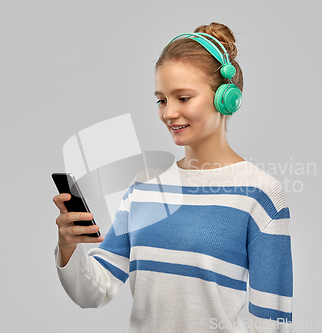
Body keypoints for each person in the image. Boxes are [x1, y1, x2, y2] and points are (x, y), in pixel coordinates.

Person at [53, 22, 293, 333]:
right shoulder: (143, 188)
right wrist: (68, 246)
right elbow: (93, 292)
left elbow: (272, 323)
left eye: (183, 98)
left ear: (226, 98)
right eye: (162, 100)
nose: (168, 113)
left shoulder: (260, 194)